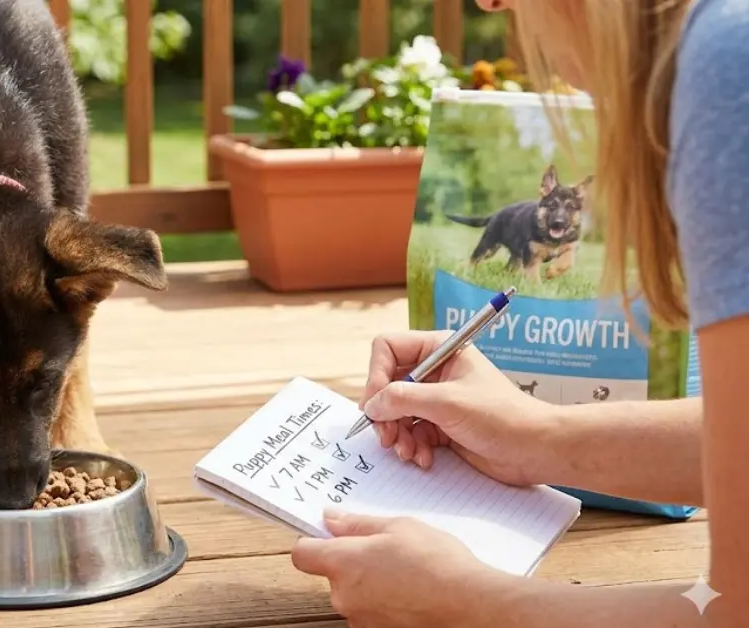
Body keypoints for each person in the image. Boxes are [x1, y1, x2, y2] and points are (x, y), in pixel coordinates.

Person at [289, 0, 749, 626]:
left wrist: (472, 605)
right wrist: (534, 438)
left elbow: (734, 611)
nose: (490, 4)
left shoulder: (726, 64)